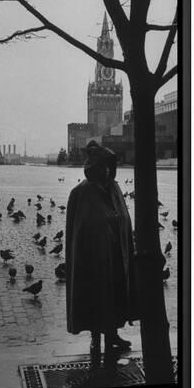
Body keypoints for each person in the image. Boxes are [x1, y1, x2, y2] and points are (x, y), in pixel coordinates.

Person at [65, 140, 138, 357]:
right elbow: (79, 230)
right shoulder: (81, 193)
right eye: (103, 166)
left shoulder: (114, 188)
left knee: (115, 293)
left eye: (110, 166)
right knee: (96, 295)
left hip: (116, 254)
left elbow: (122, 217)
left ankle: (112, 334)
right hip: (93, 258)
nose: (107, 170)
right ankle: (96, 338)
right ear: (95, 168)